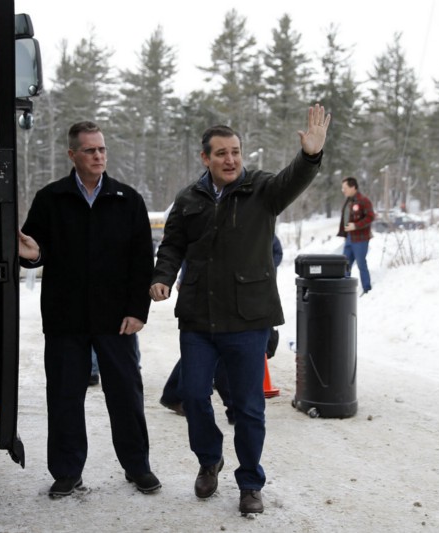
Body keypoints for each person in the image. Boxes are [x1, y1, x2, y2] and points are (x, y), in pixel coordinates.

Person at [150, 104, 331, 515]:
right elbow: (173, 245)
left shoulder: (263, 190)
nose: (230, 159)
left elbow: (293, 180)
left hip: (248, 318)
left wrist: (310, 156)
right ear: (205, 158)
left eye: (235, 151)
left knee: (249, 406)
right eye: (221, 153)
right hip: (198, 316)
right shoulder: (188, 198)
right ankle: (209, 459)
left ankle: (250, 482)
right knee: (193, 396)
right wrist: (162, 276)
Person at [18, 120, 160, 498]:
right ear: (72, 155)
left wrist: (137, 310)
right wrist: (33, 256)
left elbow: (142, 260)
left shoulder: (127, 199)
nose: (98, 156)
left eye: (102, 150)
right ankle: (66, 471)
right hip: (66, 317)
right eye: (90, 150)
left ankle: (137, 466)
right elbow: (35, 247)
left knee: (126, 395)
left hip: (117, 319)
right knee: (64, 396)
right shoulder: (51, 198)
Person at [160, 235, 283, 422]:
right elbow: (191, 248)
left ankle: (176, 395)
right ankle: (233, 409)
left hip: (244, 298)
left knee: (211, 351)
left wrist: (257, 275)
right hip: (210, 297)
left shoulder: (252, 218)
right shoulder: (203, 213)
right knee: (209, 350)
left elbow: (275, 251)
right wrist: (184, 277)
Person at [337, 176, 375, 295]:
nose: (343, 190)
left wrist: (356, 225)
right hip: (349, 238)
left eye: (345, 188)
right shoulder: (348, 201)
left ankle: (367, 289)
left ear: (353, 187)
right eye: (342, 188)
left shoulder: (364, 200)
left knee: (361, 263)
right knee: (344, 265)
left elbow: (370, 217)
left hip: (360, 239)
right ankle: (345, 291)